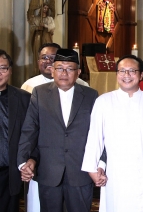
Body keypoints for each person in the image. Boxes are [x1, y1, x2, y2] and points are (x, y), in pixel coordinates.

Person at [17, 49, 99, 212]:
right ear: (52, 70)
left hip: (80, 171)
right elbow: (30, 129)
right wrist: (23, 160)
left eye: (70, 68)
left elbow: (98, 132)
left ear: (78, 73)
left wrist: (99, 163)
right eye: (60, 67)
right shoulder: (39, 93)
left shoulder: (91, 95)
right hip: (48, 169)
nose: (64, 73)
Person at [82, 55, 143, 211]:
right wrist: (93, 168)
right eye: (122, 71)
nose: (126, 75)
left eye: (132, 71)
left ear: (141, 75)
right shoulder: (104, 101)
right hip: (117, 172)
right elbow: (95, 137)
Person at [0, 50, 31, 212]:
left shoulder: (24, 98)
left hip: (9, 171)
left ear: (10, 71)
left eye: (3, 68)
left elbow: (31, 134)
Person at [22, 42, 89, 92]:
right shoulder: (28, 85)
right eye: (44, 57)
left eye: (53, 58)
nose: (48, 61)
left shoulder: (82, 85)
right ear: (38, 62)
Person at [29, 4, 55, 70]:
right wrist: (37, 28)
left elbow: (52, 27)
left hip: (46, 36)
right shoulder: (36, 18)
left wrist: (45, 26)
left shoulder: (49, 19)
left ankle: (46, 68)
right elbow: (31, 28)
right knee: (38, 53)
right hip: (38, 37)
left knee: (47, 52)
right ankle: (37, 70)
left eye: (46, 8)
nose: (45, 9)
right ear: (41, 8)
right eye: (44, 8)